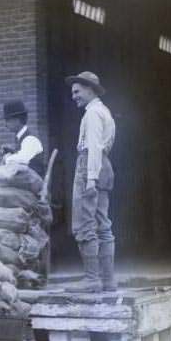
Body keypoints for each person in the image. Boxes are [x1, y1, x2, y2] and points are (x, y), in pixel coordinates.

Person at [64, 71, 116, 293]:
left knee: (85, 224)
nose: (74, 96)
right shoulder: (105, 111)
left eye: (77, 91)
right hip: (104, 165)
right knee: (103, 223)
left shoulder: (93, 114)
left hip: (90, 166)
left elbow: (93, 146)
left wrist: (90, 179)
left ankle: (92, 279)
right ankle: (108, 280)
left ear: (89, 89)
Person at [0, 100, 46, 177]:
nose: (5, 125)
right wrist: (11, 152)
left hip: (34, 184)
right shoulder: (21, 138)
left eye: (7, 120)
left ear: (17, 120)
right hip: (26, 182)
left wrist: (7, 158)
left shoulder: (30, 139)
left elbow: (23, 159)